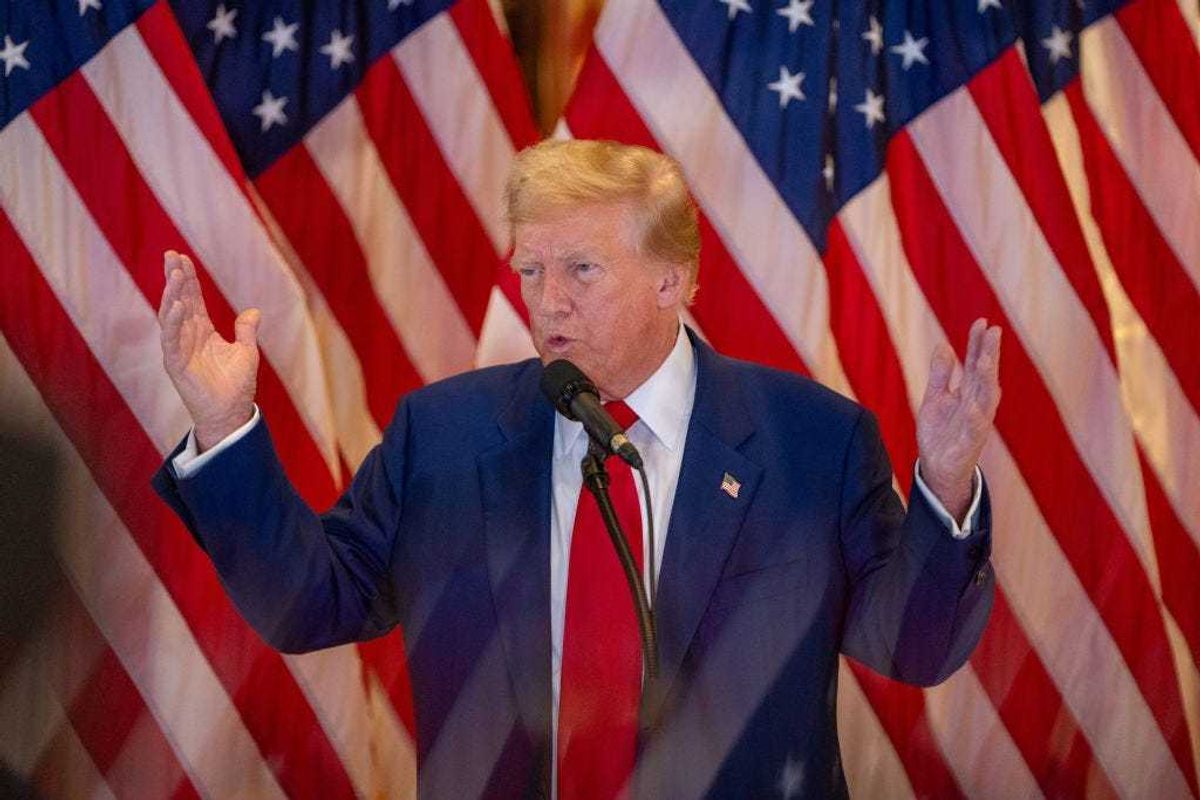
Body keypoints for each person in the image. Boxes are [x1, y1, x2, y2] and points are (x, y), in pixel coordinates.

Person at [153, 139, 1001, 799]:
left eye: (581, 270)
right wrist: (224, 426)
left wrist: (949, 483)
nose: (545, 300)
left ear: (674, 281)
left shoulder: (809, 442)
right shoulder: (444, 437)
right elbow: (309, 603)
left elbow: (914, 647)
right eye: (530, 269)